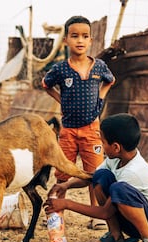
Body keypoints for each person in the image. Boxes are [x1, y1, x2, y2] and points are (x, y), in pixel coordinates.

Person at [44, 113, 148, 242]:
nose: (101, 146)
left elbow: (105, 212)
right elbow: (91, 177)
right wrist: (66, 186)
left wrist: (66, 204)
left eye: (103, 142)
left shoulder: (133, 171)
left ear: (115, 147)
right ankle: (116, 236)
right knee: (100, 176)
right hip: (131, 217)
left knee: (118, 189)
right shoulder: (116, 159)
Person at [42, 15, 115, 230]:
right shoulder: (61, 69)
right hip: (68, 131)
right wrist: (61, 101)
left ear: (91, 40)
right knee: (63, 173)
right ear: (66, 40)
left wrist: (100, 97)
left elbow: (111, 81)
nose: (80, 41)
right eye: (74, 36)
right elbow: (45, 85)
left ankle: (97, 215)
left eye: (84, 36)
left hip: (92, 130)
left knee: (95, 174)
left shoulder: (99, 67)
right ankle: (56, 214)